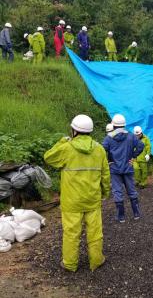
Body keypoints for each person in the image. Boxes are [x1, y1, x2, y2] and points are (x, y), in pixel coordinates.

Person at [44, 114, 110, 272]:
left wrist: (62, 141)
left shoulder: (67, 148)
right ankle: (96, 261)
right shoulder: (99, 149)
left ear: (74, 130)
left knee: (71, 233)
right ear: (90, 131)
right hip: (92, 199)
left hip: (71, 201)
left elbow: (48, 157)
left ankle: (70, 264)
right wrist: (105, 192)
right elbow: (105, 174)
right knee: (95, 232)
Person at [102, 114, 144, 223]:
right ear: (124, 125)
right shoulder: (131, 136)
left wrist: (108, 161)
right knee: (131, 190)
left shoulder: (108, 138)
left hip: (114, 169)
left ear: (114, 125)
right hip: (128, 167)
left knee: (117, 191)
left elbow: (101, 150)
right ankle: (136, 214)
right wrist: (133, 156)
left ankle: (121, 216)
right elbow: (141, 145)